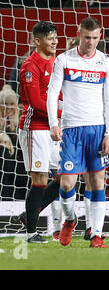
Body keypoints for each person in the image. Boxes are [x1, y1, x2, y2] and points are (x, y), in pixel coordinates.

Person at [47, 17, 109, 248]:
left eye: (95, 38)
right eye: (87, 38)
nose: (90, 43)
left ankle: (96, 234)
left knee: (97, 181)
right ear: (79, 34)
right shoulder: (64, 59)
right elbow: (52, 93)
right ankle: (70, 219)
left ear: (100, 35)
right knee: (67, 184)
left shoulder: (106, 63)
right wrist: (53, 123)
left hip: (97, 129)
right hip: (71, 129)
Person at [17, 21, 60, 243]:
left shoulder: (54, 61)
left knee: (66, 176)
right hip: (34, 128)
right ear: (37, 41)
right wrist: (61, 111)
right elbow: (34, 101)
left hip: (53, 127)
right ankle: (31, 232)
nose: (55, 41)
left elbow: (57, 94)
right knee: (40, 179)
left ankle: (30, 214)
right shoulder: (30, 66)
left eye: (55, 37)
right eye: (50, 37)